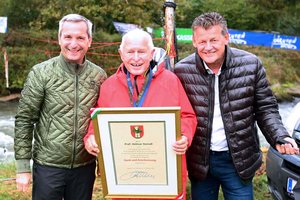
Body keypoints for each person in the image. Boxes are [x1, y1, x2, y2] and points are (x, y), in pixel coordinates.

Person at [174, 12, 299, 200]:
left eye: (214, 40)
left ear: (226, 37)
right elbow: (178, 114)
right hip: (200, 162)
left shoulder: (251, 65)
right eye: (202, 41)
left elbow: (266, 108)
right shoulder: (181, 71)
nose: (208, 47)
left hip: (239, 160)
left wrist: (279, 136)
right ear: (194, 42)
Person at [84, 29, 197, 200]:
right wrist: (91, 138)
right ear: (121, 54)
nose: (136, 58)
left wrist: (185, 137)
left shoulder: (171, 81)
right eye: (130, 52)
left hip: (164, 180)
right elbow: (97, 120)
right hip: (125, 183)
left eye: (141, 52)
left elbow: (187, 116)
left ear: (151, 53)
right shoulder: (108, 86)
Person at [14, 14, 107, 200]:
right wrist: (23, 167)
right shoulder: (41, 73)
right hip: (48, 167)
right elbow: (24, 119)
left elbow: (101, 121)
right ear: (59, 39)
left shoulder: (99, 76)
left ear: (89, 41)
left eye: (80, 37)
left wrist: (102, 163)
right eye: (68, 37)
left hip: (84, 167)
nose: (74, 44)